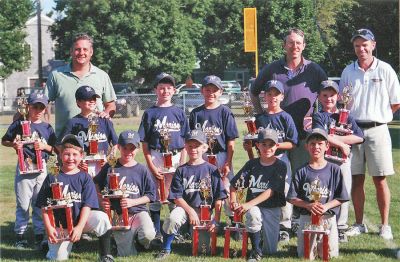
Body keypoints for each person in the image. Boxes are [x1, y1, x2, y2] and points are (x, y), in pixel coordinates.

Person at [339, 28, 400, 240]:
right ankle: (358, 223)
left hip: (378, 130)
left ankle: (385, 225)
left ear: (373, 45)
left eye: (365, 44)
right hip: (353, 131)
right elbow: (342, 103)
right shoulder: (348, 71)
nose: (361, 49)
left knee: (380, 179)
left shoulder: (385, 69)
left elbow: (395, 103)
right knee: (356, 179)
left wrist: (377, 117)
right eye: (357, 45)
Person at [250, 28, 327, 173]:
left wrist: (319, 118)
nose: (295, 46)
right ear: (284, 45)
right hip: (276, 137)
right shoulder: (272, 69)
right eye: (291, 43)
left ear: (304, 45)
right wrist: (262, 116)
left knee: (301, 177)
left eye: (298, 43)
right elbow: (254, 92)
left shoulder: (314, 70)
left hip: (304, 135)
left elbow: (328, 95)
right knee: (276, 181)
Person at [36, 134, 114, 261]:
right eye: (67, 154)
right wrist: (49, 228)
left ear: (81, 156)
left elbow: (87, 205)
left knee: (102, 218)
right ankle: (48, 246)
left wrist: (79, 228)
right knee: (58, 258)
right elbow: (45, 206)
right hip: (61, 226)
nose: (70, 158)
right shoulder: (52, 177)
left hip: (81, 221)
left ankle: (105, 255)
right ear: (60, 155)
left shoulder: (85, 177)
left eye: (75, 154)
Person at [156, 129, 227, 259]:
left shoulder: (212, 170)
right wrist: (190, 211)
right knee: (173, 218)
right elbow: (176, 196)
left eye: (197, 146)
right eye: (190, 146)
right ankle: (166, 248)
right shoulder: (181, 170)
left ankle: (190, 231)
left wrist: (215, 220)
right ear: (185, 147)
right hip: (184, 208)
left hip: (205, 212)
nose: (193, 149)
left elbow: (219, 198)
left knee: (203, 250)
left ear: (205, 147)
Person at [138, 73, 189, 244]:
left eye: (168, 87)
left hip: (175, 156)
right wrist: (150, 165)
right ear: (155, 90)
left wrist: (182, 163)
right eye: (161, 87)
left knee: (175, 194)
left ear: (174, 90)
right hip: (156, 155)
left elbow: (185, 142)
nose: (165, 91)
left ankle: (176, 231)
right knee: (156, 193)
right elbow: (144, 142)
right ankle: (157, 230)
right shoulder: (150, 113)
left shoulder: (179, 113)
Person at [2, 93, 56, 250]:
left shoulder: (47, 127)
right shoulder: (20, 123)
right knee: (23, 204)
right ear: (28, 107)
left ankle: (40, 235)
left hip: (42, 169)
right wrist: (14, 145)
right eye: (35, 106)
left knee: (40, 203)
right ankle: (20, 235)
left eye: (41, 107)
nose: (38, 110)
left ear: (45, 108)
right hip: (24, 168)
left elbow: (55, 149)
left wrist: (44, 147)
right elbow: (4, 140)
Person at [245, 80, 298, 242]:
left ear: (282, 96)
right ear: (264, 96)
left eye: (276, 94)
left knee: (283, 191)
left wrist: (275, 146)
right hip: (262, 161)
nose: (273, 97)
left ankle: (284, 226)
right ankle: (261, 223)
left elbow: (293, 143)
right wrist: (249, 146)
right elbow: (254, 143)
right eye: (269, 93)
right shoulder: (259, 119)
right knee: (261, 190)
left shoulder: (286, 117)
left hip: (281, 159)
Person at [312, 80, 364, 242]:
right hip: (324, 160)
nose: (329, 98)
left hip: (342, 161)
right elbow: (320, 135)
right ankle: (320, 220)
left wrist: (338, 139)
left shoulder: (346, 115)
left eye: (332, 95)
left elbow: (359, 137)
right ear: (319, 97)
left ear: (339, 96)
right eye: (325, 95)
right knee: (323, 192)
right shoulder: (318, 116)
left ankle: (341, 226)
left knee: (343, 191)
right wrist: (340, 142)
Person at [287, 128, 349, 259]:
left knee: (328, 255)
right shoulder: (301, 171)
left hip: (327, 218)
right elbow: (292, 197)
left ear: (327, 146)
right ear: (307, 146)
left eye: (320, 143)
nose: (316, 147)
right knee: (306, 256)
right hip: (307, 218)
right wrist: (307, 205)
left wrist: (326, 206)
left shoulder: (335, 169)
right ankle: (303, 245)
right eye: (312, 144)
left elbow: (342, 197)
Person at [94, 130, 156, 256]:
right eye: (125, 148)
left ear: (138, 149)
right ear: (119, 147)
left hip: (139, 212)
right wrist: (101, 201)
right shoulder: (110, 166)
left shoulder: (142, 170)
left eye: (132, 148)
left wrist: (133, 202)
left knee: (149, 235)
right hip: (119, 215)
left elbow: (151, 195)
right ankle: (120, 241)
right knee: (126, 255)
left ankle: (140, 240)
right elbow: (95, 182)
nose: (128, 152)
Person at [45, 33, 116, 137]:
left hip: (96, 138)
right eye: (77, 49)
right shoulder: (56, 75)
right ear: (71, 51)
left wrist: (106, 114)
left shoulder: (102, 75)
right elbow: (42, 104)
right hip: (66, 143)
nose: (81, 52)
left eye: (85, 49)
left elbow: (110, 105)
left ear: (91, 52)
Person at [189, 75, 239, 222]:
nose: (211, 93)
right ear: (202, 91)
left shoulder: (225, 112)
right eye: (207, 89)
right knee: (203, 186)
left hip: (221, 156)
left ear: (220, 92)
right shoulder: (196, 113)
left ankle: (233, 220)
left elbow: (231, 140)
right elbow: (191, 140)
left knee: (228, 188)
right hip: (202, 156)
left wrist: (228, 162)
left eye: (214, 90)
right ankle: (205, 219)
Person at [231, 128, 286, 261]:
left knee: (271, 250)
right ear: (257, 145)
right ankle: (256, 251)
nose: (267, 148)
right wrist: (233, 200)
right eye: (264, 144)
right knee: (253, 214)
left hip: (272, 207)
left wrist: (247, 204)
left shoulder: (281, 165)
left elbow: (270, 191)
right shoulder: (252, 164)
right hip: (254, 206)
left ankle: (263, 240)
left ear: (277, 146)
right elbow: (234, 185)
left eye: (271, 144)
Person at [58, 85, 118, 177]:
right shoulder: (73, 122)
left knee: (103, 191)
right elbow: (59, 145)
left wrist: (109, 159)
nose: (92, 101)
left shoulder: (104, 120)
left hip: (103, 165)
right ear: (78, 102)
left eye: (94, 98)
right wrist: (75, 160)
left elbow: (115, 144)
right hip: (81, 168)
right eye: (87, 98)